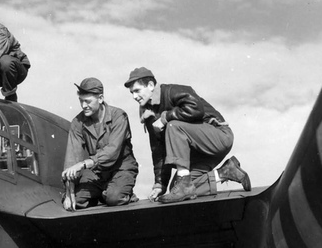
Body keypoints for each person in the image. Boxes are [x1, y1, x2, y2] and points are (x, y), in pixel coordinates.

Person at [124, 67, 251, 204]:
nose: (134, 97)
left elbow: (196, 108)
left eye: (137, 91)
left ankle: (184, 180)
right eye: (131, 93)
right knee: (177, 190)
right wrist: (160, 184)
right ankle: (225, 172)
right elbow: (158, 151)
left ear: (150, 85)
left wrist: (165, 117)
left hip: (218, 136)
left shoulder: (171, 91)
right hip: (198, 152)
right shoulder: (149, 115)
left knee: (173, 126)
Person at [62, 77, 139, 210]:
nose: (83, 106)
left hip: (121, 168)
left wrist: (83, 164)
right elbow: (72, 157)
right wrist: (70, 191)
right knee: (76, 200)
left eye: (88, 101)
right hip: (97, 173)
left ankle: (125, 194)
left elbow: (112, 152)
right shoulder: (77, 122)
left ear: (101, 98)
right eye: (81, 101)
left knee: (114, 198)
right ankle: (99, 195)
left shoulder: (119, 116)